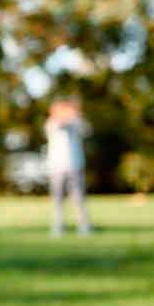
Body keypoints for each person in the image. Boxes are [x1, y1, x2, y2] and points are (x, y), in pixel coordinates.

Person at [45, 96, 93, 236]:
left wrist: (75, 114)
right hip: (57, 166)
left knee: (79, 197)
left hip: (75, 165)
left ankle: (84, 226)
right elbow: (59, 124)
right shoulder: (51, 123)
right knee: (57, 199)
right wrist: (66, 115)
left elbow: (87, 130)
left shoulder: (77, 123)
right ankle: (58, 226)